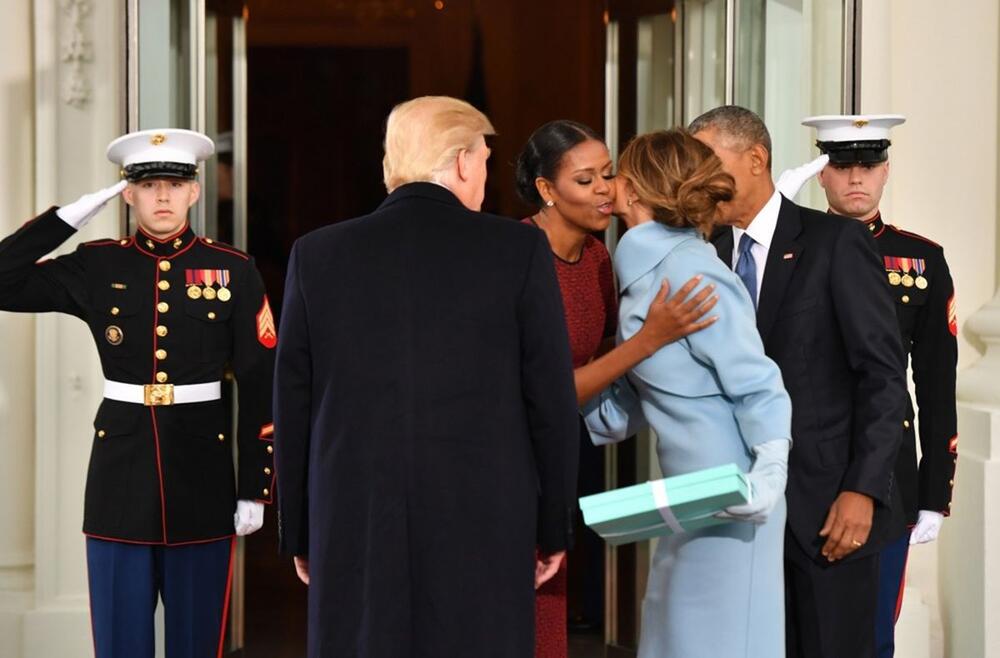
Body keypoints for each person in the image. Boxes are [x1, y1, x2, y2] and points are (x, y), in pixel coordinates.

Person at [273, 96, 581, 657]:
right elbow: (551, 403)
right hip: (486, 515)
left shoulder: (316, 255)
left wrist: (300, 529)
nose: (485, 173)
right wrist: (553, 524)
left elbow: (293, 405)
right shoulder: (517, 249)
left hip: (354, 515)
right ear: (462, 161)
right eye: (486, 159)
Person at [0, 128, 275, 657]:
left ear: (196, 192)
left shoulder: (235, 272)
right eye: (149, 186)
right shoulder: (98, 264)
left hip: (202, 481)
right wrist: (66, 218)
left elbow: (261, 380)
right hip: (119, 483)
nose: (164, 196)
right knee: (121, 646)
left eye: (176, 184)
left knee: (196, 646)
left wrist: (253, 487)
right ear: (128, 194)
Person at [689, 105, 907, 658]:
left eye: (706, 163)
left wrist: (862, 490)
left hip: (826, 513)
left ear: (756, 159)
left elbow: (882, 377)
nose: (695, 181)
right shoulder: (704, 255)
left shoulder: (835, 243)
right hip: (736, 519)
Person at [514, 119, 719, 658]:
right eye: (585, 180)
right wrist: (650, 340)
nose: (605, 190)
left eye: (608, 175)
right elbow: (541, 389)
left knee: (553, 601)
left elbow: (607, 358)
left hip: (566, 451)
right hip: (513, 457)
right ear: (546, 191)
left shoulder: (603, 257)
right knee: (520, 604)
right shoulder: (514, 256)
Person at [584, 129, 793, 658]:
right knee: (674, 638)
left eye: (618, 172)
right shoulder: (641, 269)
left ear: (635, 191)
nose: (609, 183)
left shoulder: (693, 271)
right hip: (684, 498)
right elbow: (645, 393)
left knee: (717, 644)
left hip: (734, 495)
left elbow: (759, 384)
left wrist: (768, 475)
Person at [802, 114, 958, 657]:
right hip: (802, 463)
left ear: (886, 171)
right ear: (822, 174)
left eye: (868, 165)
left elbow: (937, 383)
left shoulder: (921, 260)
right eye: (842, 166)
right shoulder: (792, 251)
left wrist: (935, 492)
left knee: (871, 632)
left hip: (886, 471)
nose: (856, 178)